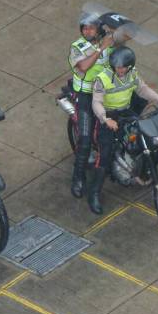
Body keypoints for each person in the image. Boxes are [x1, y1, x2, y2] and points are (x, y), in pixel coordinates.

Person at [89, 46, 158, 214]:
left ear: (129, 66)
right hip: (108, 116)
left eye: (122, 67)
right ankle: (94, 193)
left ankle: (140, 170)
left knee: (146, 137)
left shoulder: (132, 74)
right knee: (104, 156)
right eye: (116, 66)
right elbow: (96, 102)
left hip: (125, 112)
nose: (119, 69)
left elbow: (142, 89)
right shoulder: (102, 78)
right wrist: (105, 119)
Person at [68, 12, 115, 199]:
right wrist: (100, 48)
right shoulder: (77, 47)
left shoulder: (108, 42)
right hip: (85, 96)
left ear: (99, 30)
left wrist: (115, 32)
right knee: (85, 139)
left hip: (107, 93)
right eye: (84, 28)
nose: (87, 31)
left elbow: (124, 42)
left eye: (91, 28)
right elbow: (83, 67)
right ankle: (78, 177)